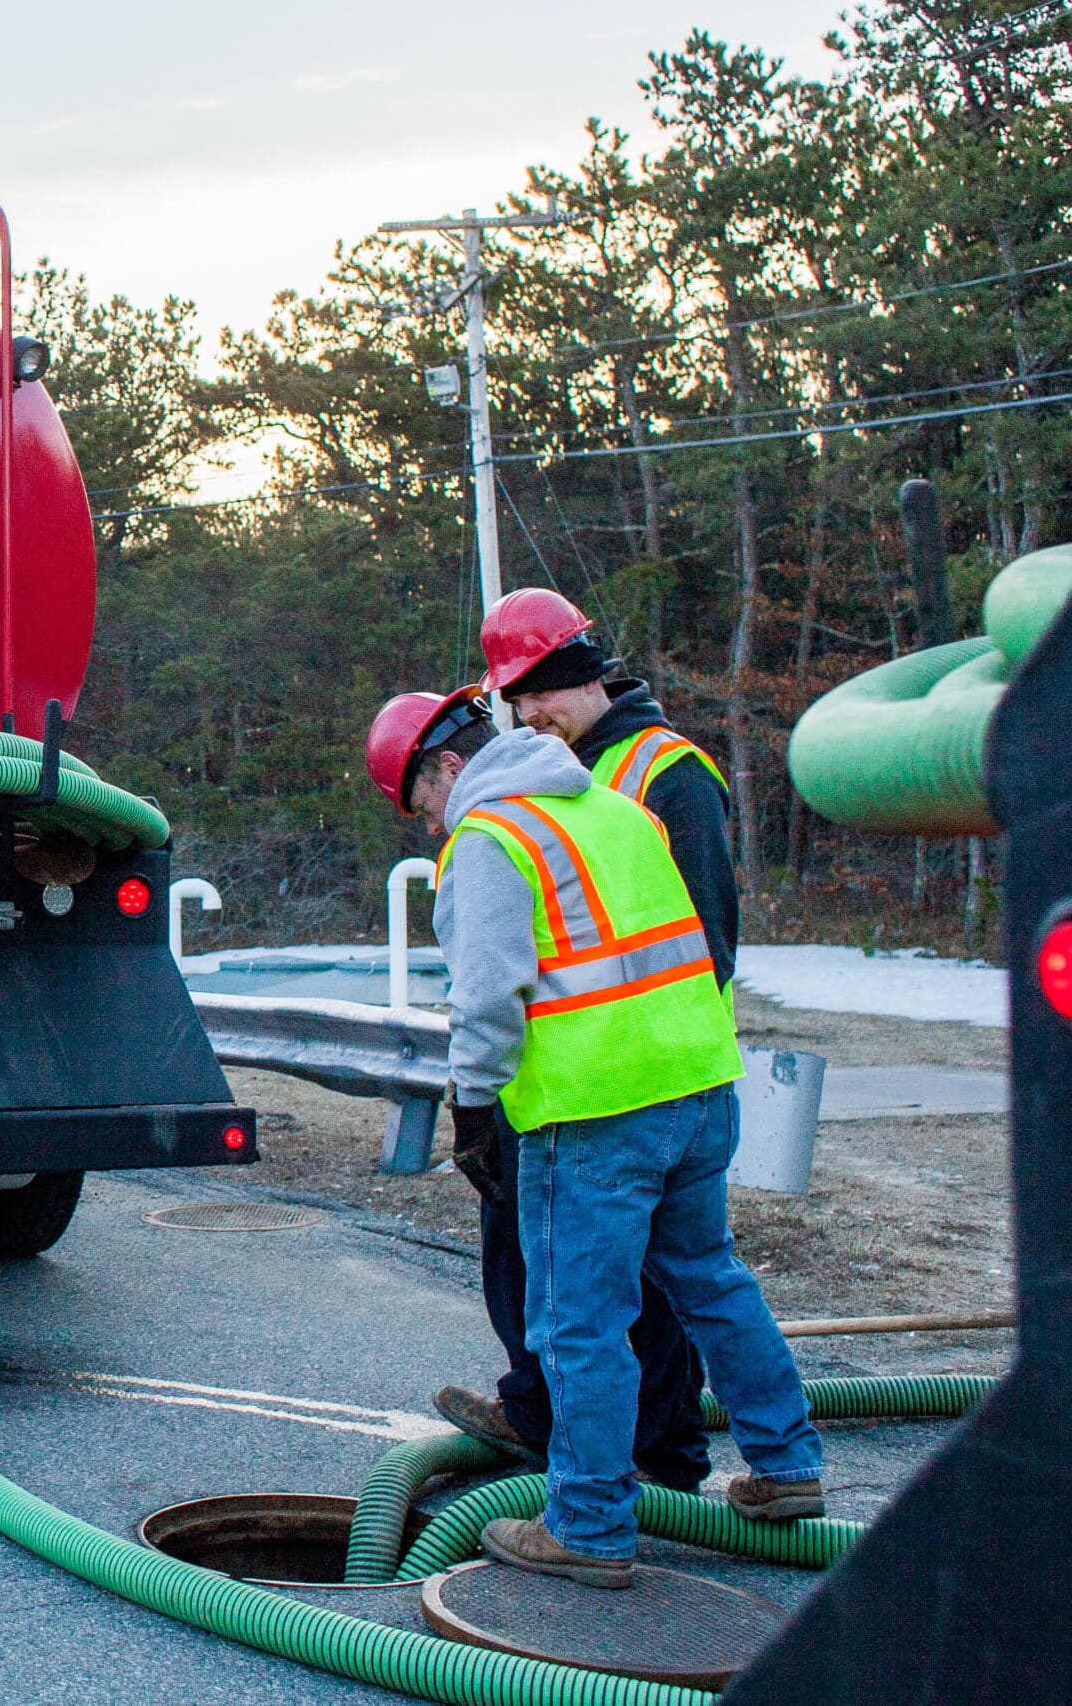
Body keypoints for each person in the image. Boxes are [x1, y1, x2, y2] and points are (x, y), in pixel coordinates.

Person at [364, 688, 822, 1587]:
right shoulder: (614, 809)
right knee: (710, 1279)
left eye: (422, 804)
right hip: (698, 1085)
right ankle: (786, 1464)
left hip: (596, 1111)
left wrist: (474, 1108)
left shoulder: (489, 839)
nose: (431, 825)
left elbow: (487, 1000)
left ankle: (587, 1524)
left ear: (449, 766)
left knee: (580, 1320)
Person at [430, 589, 740, 1494]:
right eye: (516, 700)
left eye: (538, 693)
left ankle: (655, 1463)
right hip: (564, 1071)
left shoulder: (663, 771)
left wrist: (648, 1065)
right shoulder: (560, 768)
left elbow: (708, 942)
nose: (528, 714)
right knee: (545, 1264)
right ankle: (549, 1421)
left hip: (637, 1078)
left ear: (585, 674)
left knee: (648, 1283)